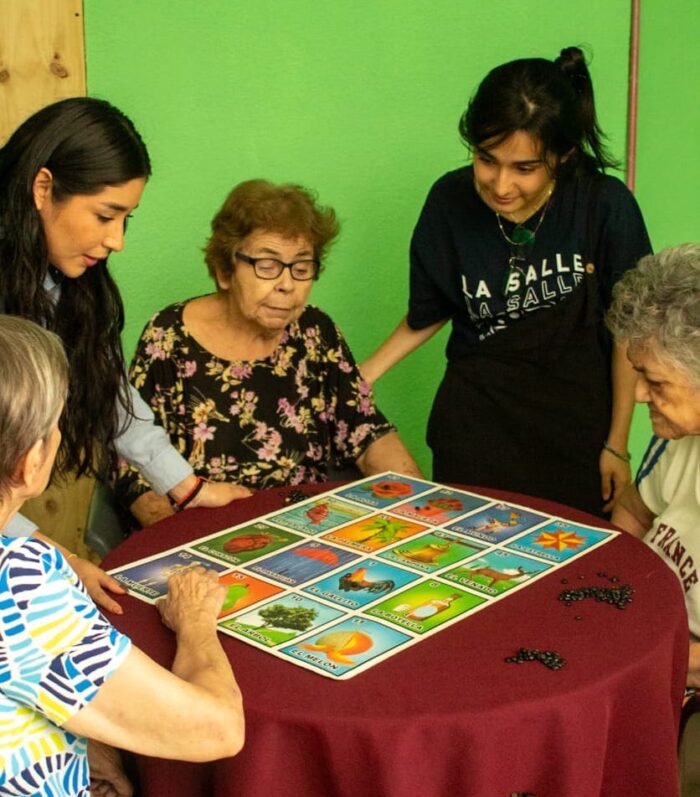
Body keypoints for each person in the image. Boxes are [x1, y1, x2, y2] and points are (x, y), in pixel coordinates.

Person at [360, 47, 652, 516]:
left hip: (574, 438)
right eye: (486, 159)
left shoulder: (603, 206)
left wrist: (617, 443)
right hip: (474, 433)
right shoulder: (449, 200)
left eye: (525, 168)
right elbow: (430, 308)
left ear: (562, 156)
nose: (500, 184)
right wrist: (363, 376)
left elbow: (629, 333)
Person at [0, 97, 251, 612]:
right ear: (43, 188)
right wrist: (50, 556)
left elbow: (107, 385)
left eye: (126, 219)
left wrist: (185, 487)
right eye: (105, 215)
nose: (116, 240)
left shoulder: (66, 278)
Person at [0, 315, 244, 797]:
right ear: (30, 461)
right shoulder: (20, 580)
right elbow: (218, 729)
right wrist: (195, 621)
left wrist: (86, 744)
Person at [114, 179, 422, 527]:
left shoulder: (314, 332)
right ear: (225, 270)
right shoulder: (169, 338)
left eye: (302, 268)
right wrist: (185, 544)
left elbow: (367, 434)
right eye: (267, 265)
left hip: (309, 527)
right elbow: (131, 467)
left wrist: (425, 507)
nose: (287, 284)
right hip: (205, 530)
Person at [608, 244, 700, 685]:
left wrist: (636, 659)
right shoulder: (680, 435)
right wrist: (611, 593)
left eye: (655, 381)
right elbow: (633, 510)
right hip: (643, 625)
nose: (640, 394)